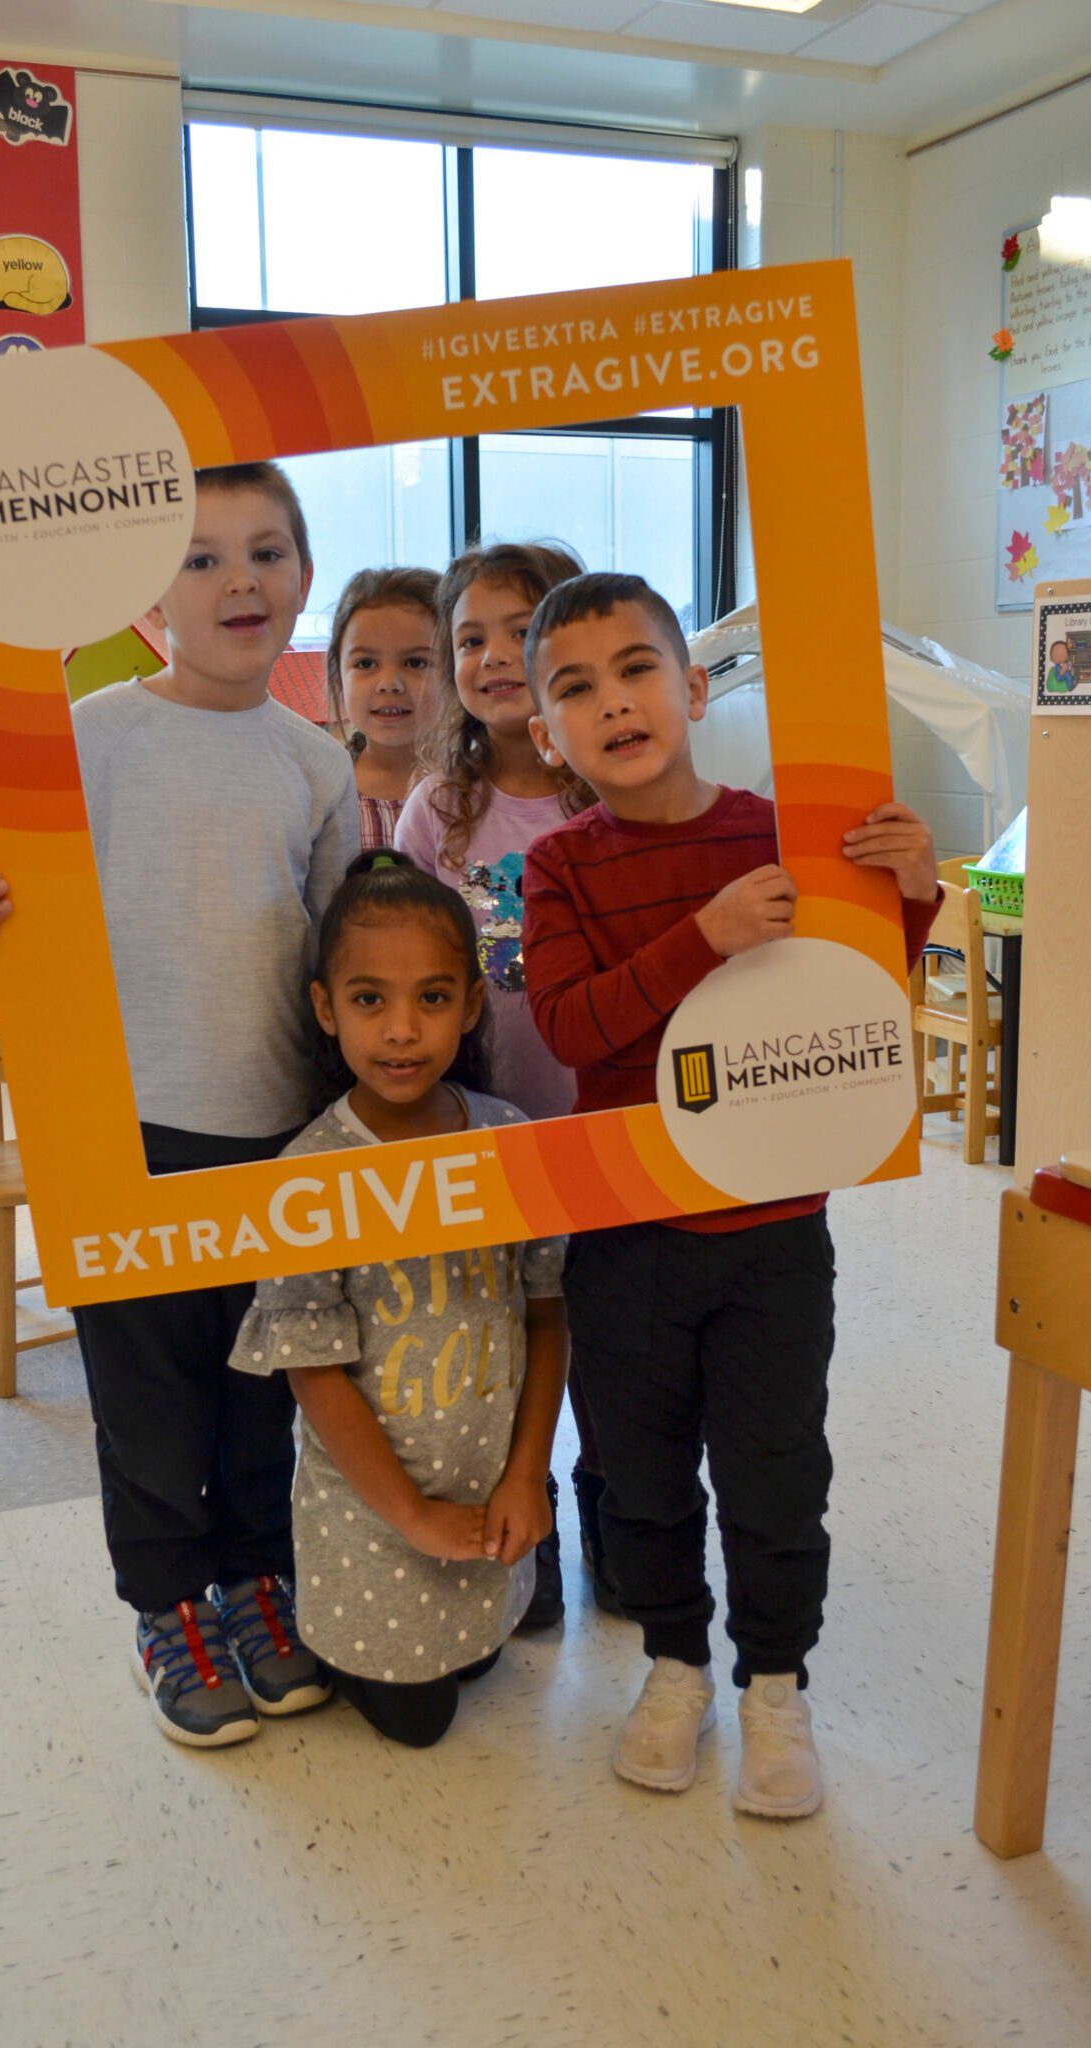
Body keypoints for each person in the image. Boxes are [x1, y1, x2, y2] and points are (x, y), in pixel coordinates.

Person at [0, 463, 359, 1748]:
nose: (239, 578)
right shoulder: (92, 735)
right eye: (199, 557)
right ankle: (166, 1605)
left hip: (277, 1126)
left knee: (259, 1385)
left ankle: (253, 1582)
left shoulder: (316, 761)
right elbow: (17, 913)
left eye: (267, 551)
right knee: (145, 1391)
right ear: (146, 601)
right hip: (123, 1126)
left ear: (302, 576)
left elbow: (342, 953)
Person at [520, 570, 942, 1819]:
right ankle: (673, 1665)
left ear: (694, 686)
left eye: (638, 668)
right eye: (575, 688)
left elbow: (850, 993)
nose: (615, 701)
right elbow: (569, 1022)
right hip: (625, 1231)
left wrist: (910, 893)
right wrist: (700, 935)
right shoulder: (559, 866)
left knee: (774, 1470)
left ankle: (774, 1683)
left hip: (772, 1230)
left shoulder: (781, 834)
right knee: (640, 1474)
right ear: (547, 733)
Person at [230, 850, 568, 1747]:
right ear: (325, 1009)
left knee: (483, 1659)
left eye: (431, 998)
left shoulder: (508, 1139)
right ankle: (341, 1637)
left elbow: (546, 1314)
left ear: (468, 1004)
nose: (402, 1031)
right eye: (371, 999)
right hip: (374, 1518)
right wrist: (413, 1517)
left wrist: (529, 1475)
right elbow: (314, 1376)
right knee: (419, 1723)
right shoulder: (307, 1176)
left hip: (486, 1488)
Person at [395, 539, 611, 1628]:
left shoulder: (612, 786)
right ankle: (521, 1539)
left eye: (516, 630)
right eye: (467, 636)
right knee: (503, 1336)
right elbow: (408, 968)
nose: (489, 656)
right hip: (487, 1126)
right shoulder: (439, 809)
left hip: (605, 1118)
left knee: (608, 1334)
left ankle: (617, 1516)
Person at [325, 565, 439, 851]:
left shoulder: (483, 792)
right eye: (365, 663)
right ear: (338, 676)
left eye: (416, 662)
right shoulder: (320, 793)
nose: (389, 684)